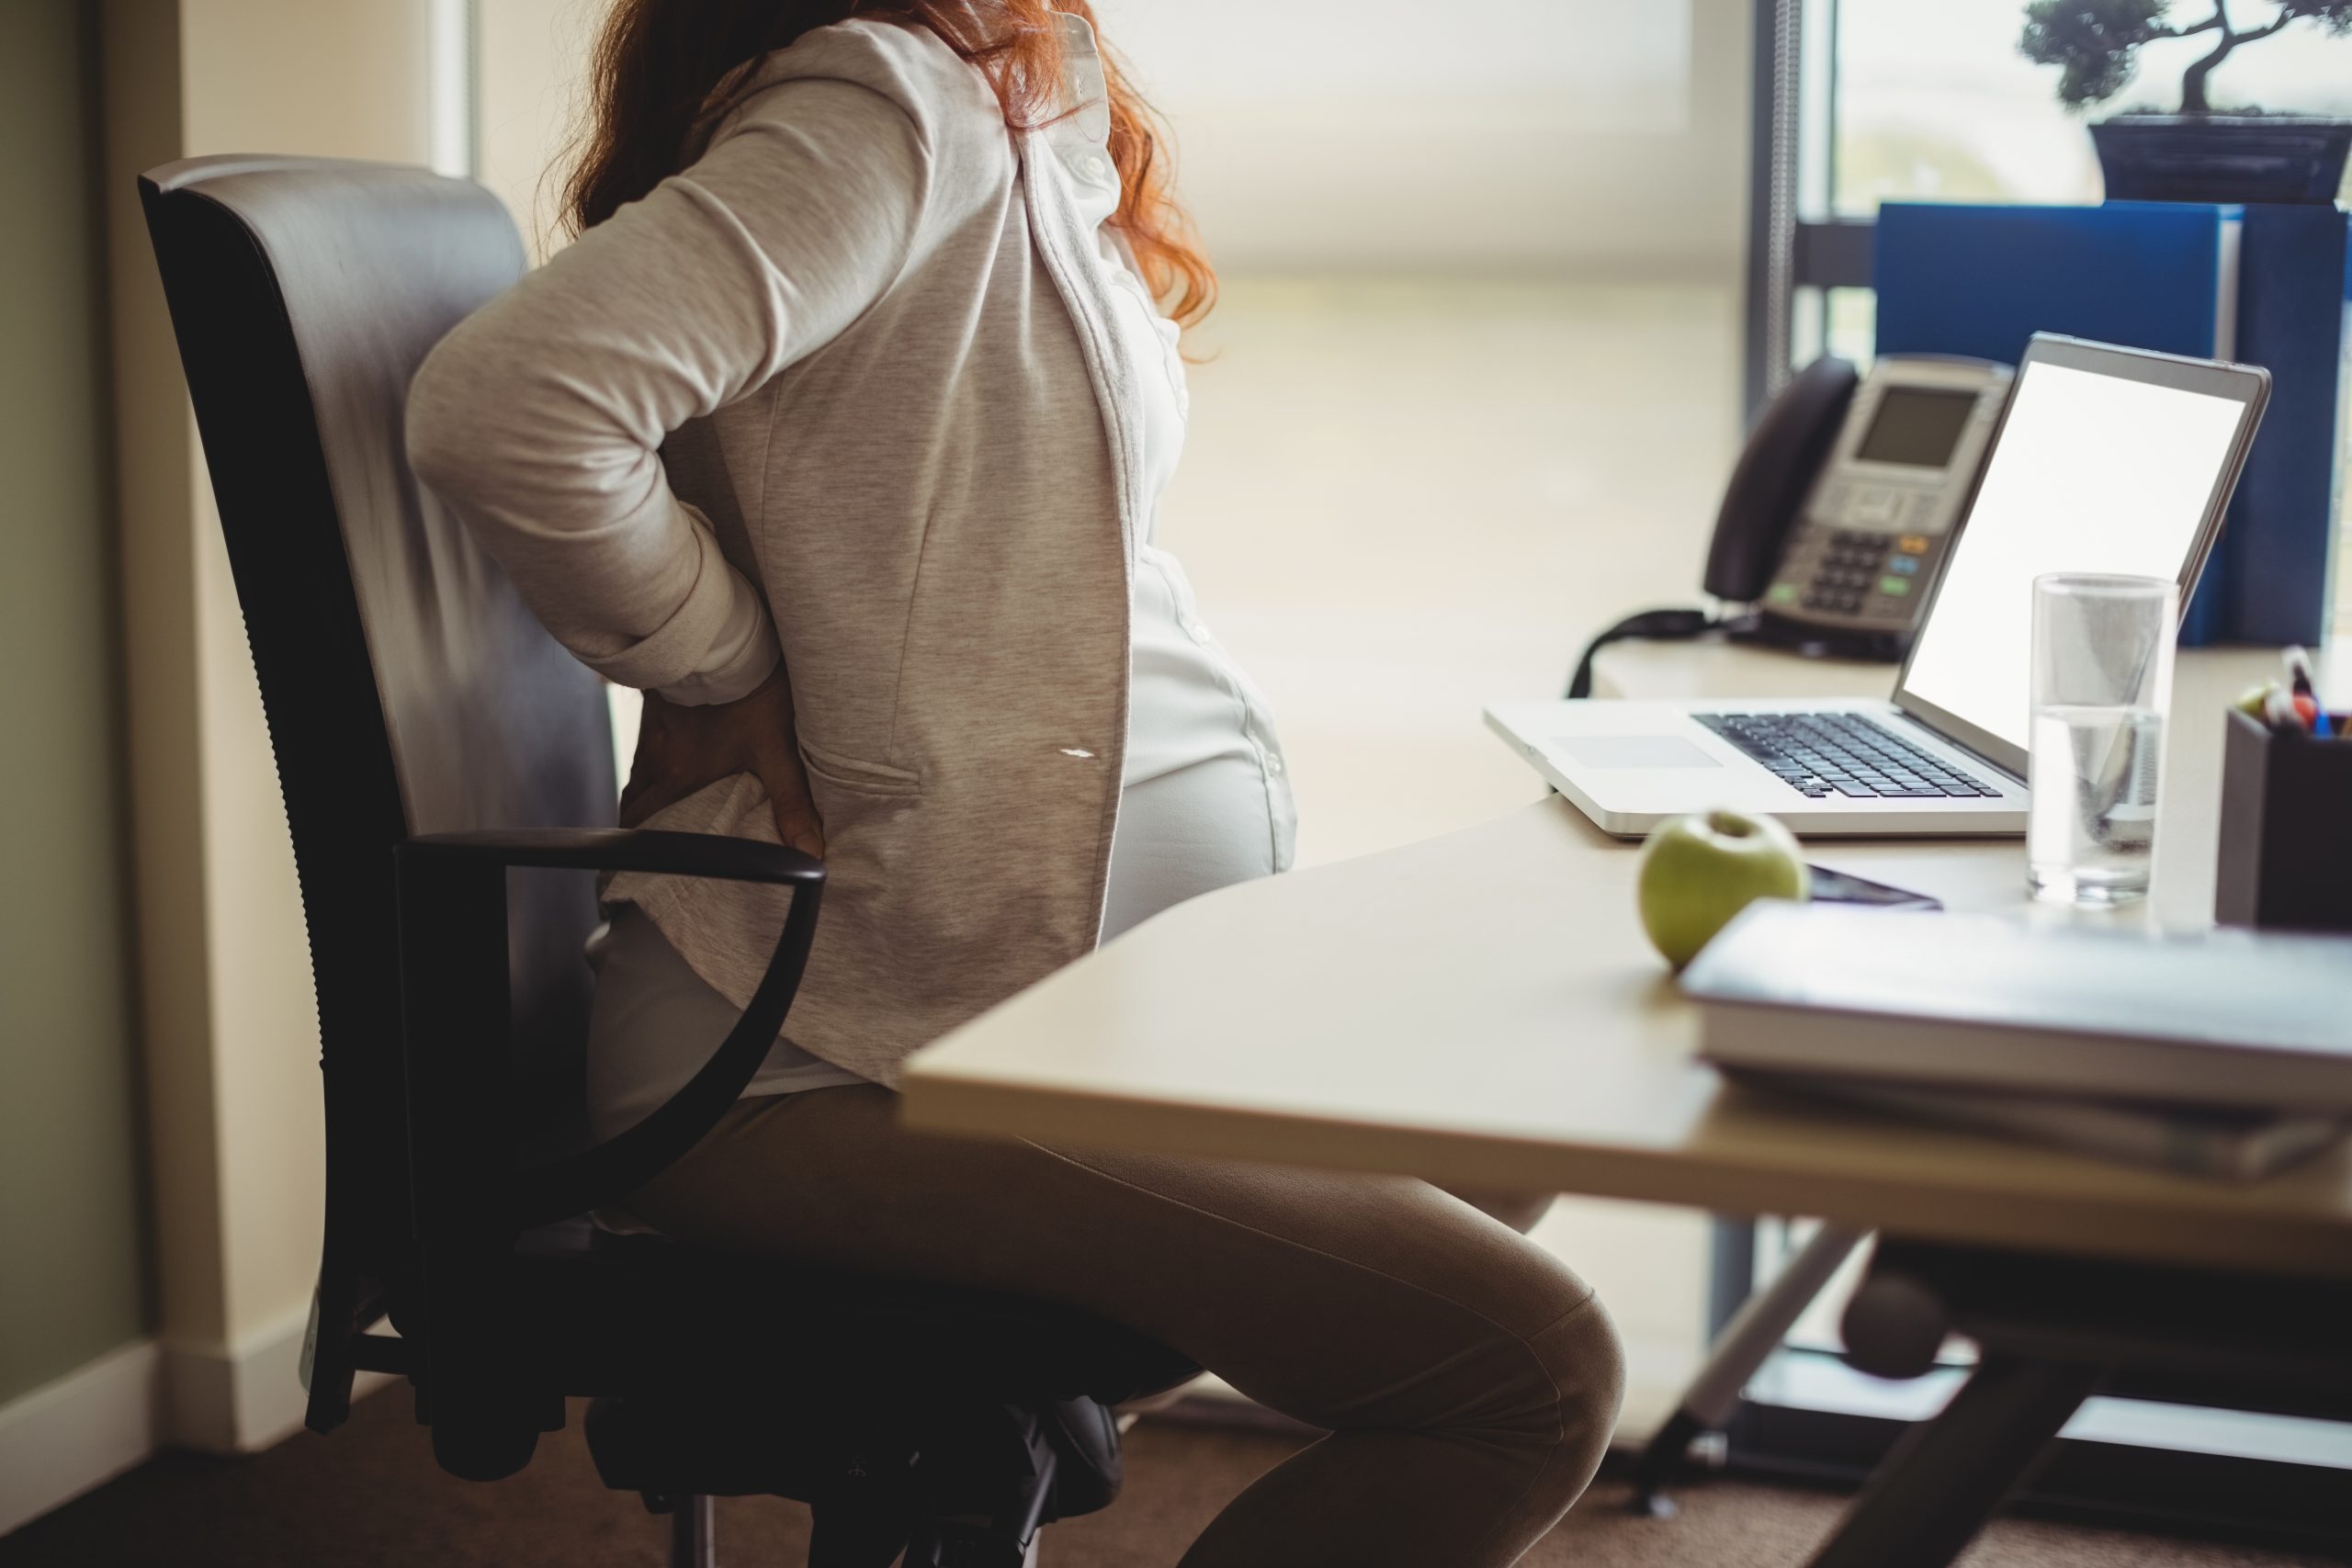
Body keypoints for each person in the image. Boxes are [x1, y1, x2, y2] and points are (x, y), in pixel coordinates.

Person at [405, 4, 1623, 1561]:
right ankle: (988, 1450)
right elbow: (514, 406)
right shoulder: (891, 108)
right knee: (1530, 1374)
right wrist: (722, 660)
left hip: (1008, 1012)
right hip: (826, 1058)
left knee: (1530, 1075)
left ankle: (984, 1459)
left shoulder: (1011, 107)